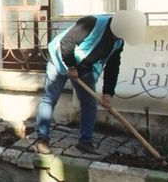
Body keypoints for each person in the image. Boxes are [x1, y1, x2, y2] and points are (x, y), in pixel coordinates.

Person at [34, 10, 146, 155]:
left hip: (85, 67)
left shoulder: (119, 41)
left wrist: (108, 93)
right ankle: (42, 139)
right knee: (50, 98)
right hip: (59, 59)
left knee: (90, 104)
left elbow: (113, 67)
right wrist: (71, 67)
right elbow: (66, 43)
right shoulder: (91, 23)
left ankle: (85, 142)